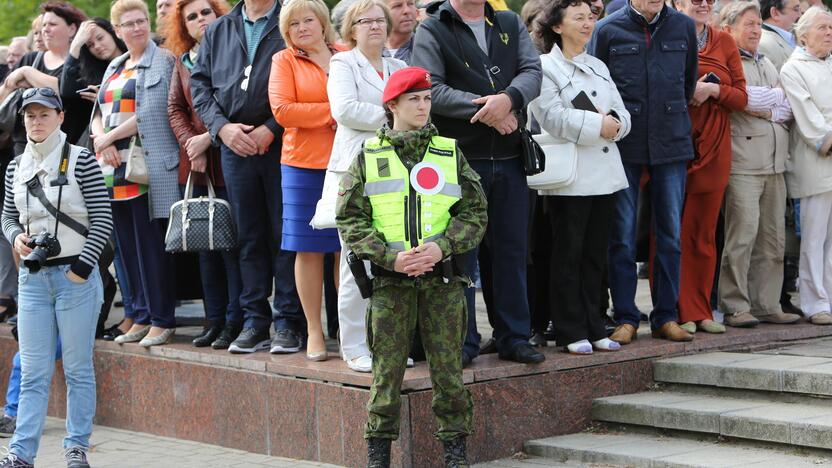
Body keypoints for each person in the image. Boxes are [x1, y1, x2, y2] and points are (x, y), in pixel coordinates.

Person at [337, 66, 487, 468]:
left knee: (450, 376)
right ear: (392, 106)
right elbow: (350, 218)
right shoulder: (368, 157)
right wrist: (389, 257)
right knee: (386, 379)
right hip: (390, 285)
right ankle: (378, 457)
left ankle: (455, 455)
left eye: (426, 99)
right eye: (413, 100)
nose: (422, 106)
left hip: (441, 282)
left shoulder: (448, 151)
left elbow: (475, 213)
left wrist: (441, 248)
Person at [411, 0, 545, 365]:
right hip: (458, 162)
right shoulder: (432, 28)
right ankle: (463, 341)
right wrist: (489, 111)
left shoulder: (508, 21)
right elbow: (431, 88)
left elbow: (532, 71)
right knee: (460, 258)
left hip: (511, 158)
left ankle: (514, 337)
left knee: (511, 253)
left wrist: (510, 99)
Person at [0, 88, 112, 468]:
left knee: (79, 367)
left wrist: (82, 268)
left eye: (44, 114)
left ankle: (76, 448)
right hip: (32, 279)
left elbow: (102, 219)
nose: (36, 121)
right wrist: (17, 237)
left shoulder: (81, 160)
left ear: (61, 117)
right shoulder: (16, 166)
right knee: (33, 371)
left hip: (75, 278)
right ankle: (20, 454)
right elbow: (7, 217)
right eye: (29, 115)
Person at [191, 0, 305, 355]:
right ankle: (255, 320)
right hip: (233, 146)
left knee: (284, 234)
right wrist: (221, 130)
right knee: (248, 238)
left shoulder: (290, 18)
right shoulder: (219, 29)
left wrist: (272, 127)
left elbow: (306, 77)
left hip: (283, 142)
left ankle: (288, 322)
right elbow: (201, 86)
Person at [588, 0, 698, 344]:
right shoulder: (608, 28)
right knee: (621, 234)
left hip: (671, 139)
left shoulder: (683, 26)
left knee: (670, 233)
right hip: (625, 143)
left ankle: (666, 315)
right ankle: (625, 317)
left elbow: (688, 84)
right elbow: (597, 85)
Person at [529, 0, 631, 354]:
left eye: (591, 18)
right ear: (557, 26)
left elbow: (620, 109)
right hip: (569, 177)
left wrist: (616, 125)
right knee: (567, 254)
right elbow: (552, 117)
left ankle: (594, 323)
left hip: (604, 173)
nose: (588, 24)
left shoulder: (598, 65)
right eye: (579, 18)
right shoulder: (544, 67)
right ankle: (571, 329)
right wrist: (598, 125)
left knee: (594, 256)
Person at [91, 0, 180, 347]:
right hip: (113, 167)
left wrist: (110, 137)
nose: (137, 27)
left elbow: (153, 109)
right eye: (128, 24)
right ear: (118, 31)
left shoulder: (163, 60)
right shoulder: (114, 64)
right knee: (127, 249)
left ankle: (162, 318)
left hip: (147, 167)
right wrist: (102, 139)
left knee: (150, 246)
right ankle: (140, 315)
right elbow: (99, 108)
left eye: (141, 20)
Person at [328, 0, 406, 372]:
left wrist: (402, 118)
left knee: (393, 260)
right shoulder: (343, 63)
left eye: (380, 20)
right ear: (351, 28)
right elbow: (345, 110)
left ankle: (387, 343)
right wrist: (396, 117)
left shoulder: (400, 66)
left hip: (397, 173)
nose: (375, 26)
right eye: (366, 20)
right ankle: (355, 345)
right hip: (356, 171)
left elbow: (421, 106)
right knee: (356, 261)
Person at [164, 0, 242, 349]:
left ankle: (237, 321)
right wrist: (190, 145)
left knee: (232, 248)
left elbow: (237, 105)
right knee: (206, 248)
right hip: (195, 168)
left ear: (218, 15)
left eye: (205, 13)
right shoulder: (182, 62)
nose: (200, 20)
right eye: (192, 17)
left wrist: (207, 139)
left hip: (230, 159)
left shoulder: (233, 50)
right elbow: (175, 108)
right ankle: (214, 320)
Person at [268, 0, 343, 361]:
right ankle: (314, 330)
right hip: (303, 165)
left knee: (350, 248)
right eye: (293, 24)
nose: (301, 28)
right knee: (309, 248)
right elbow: (283, 111)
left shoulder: (347, 54)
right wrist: (335, 113)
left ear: (323, 21)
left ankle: (349, 329)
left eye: (307, 19)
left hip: (349, 163)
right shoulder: (283, 61)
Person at [717, 1, 798, 328]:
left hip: (776, 163)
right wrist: (763, 102)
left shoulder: (766, 62)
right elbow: (740, 100)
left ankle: (766, 303)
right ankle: (735, 305)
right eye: (748, 24)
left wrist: (763, 103)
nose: (755, 31)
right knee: (742, 237)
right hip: (744, 163)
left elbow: (787, 106)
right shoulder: (728, 61)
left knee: (773, 239)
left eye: (757, 25)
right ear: (729, 29)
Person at [671, 0, 748, 335]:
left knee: (703, 234)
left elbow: (742, 97)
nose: (703, 3)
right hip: (672, 146)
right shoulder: (664, 34)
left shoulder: (725, 41)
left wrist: (713, 89)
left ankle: (701, 309)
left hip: (715, 149)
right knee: (670, 233)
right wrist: (688, 90)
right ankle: (671, 311)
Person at [780, 6, 832, 326]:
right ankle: (815, 303)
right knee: (814, 238)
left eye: (831, 27)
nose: (829, 33)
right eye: (823, 28)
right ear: (803, 35)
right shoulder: (793, 68)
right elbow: (811, 123)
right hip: (815, 162)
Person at [1, 2, 88, 154]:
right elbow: (3, 95)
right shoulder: (30, 59)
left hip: (67, 151)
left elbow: (64, 89)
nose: (45, 30)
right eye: (44, 24)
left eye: (52, 24)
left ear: (72, 29)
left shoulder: (83, 64)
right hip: (24, 149)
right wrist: (10, 86)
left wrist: (28, 73)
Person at [760, 0, 801, 71]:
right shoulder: (764, 46)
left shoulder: (796, 37)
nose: (800, 15)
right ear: (775, 13)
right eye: (796, 9)